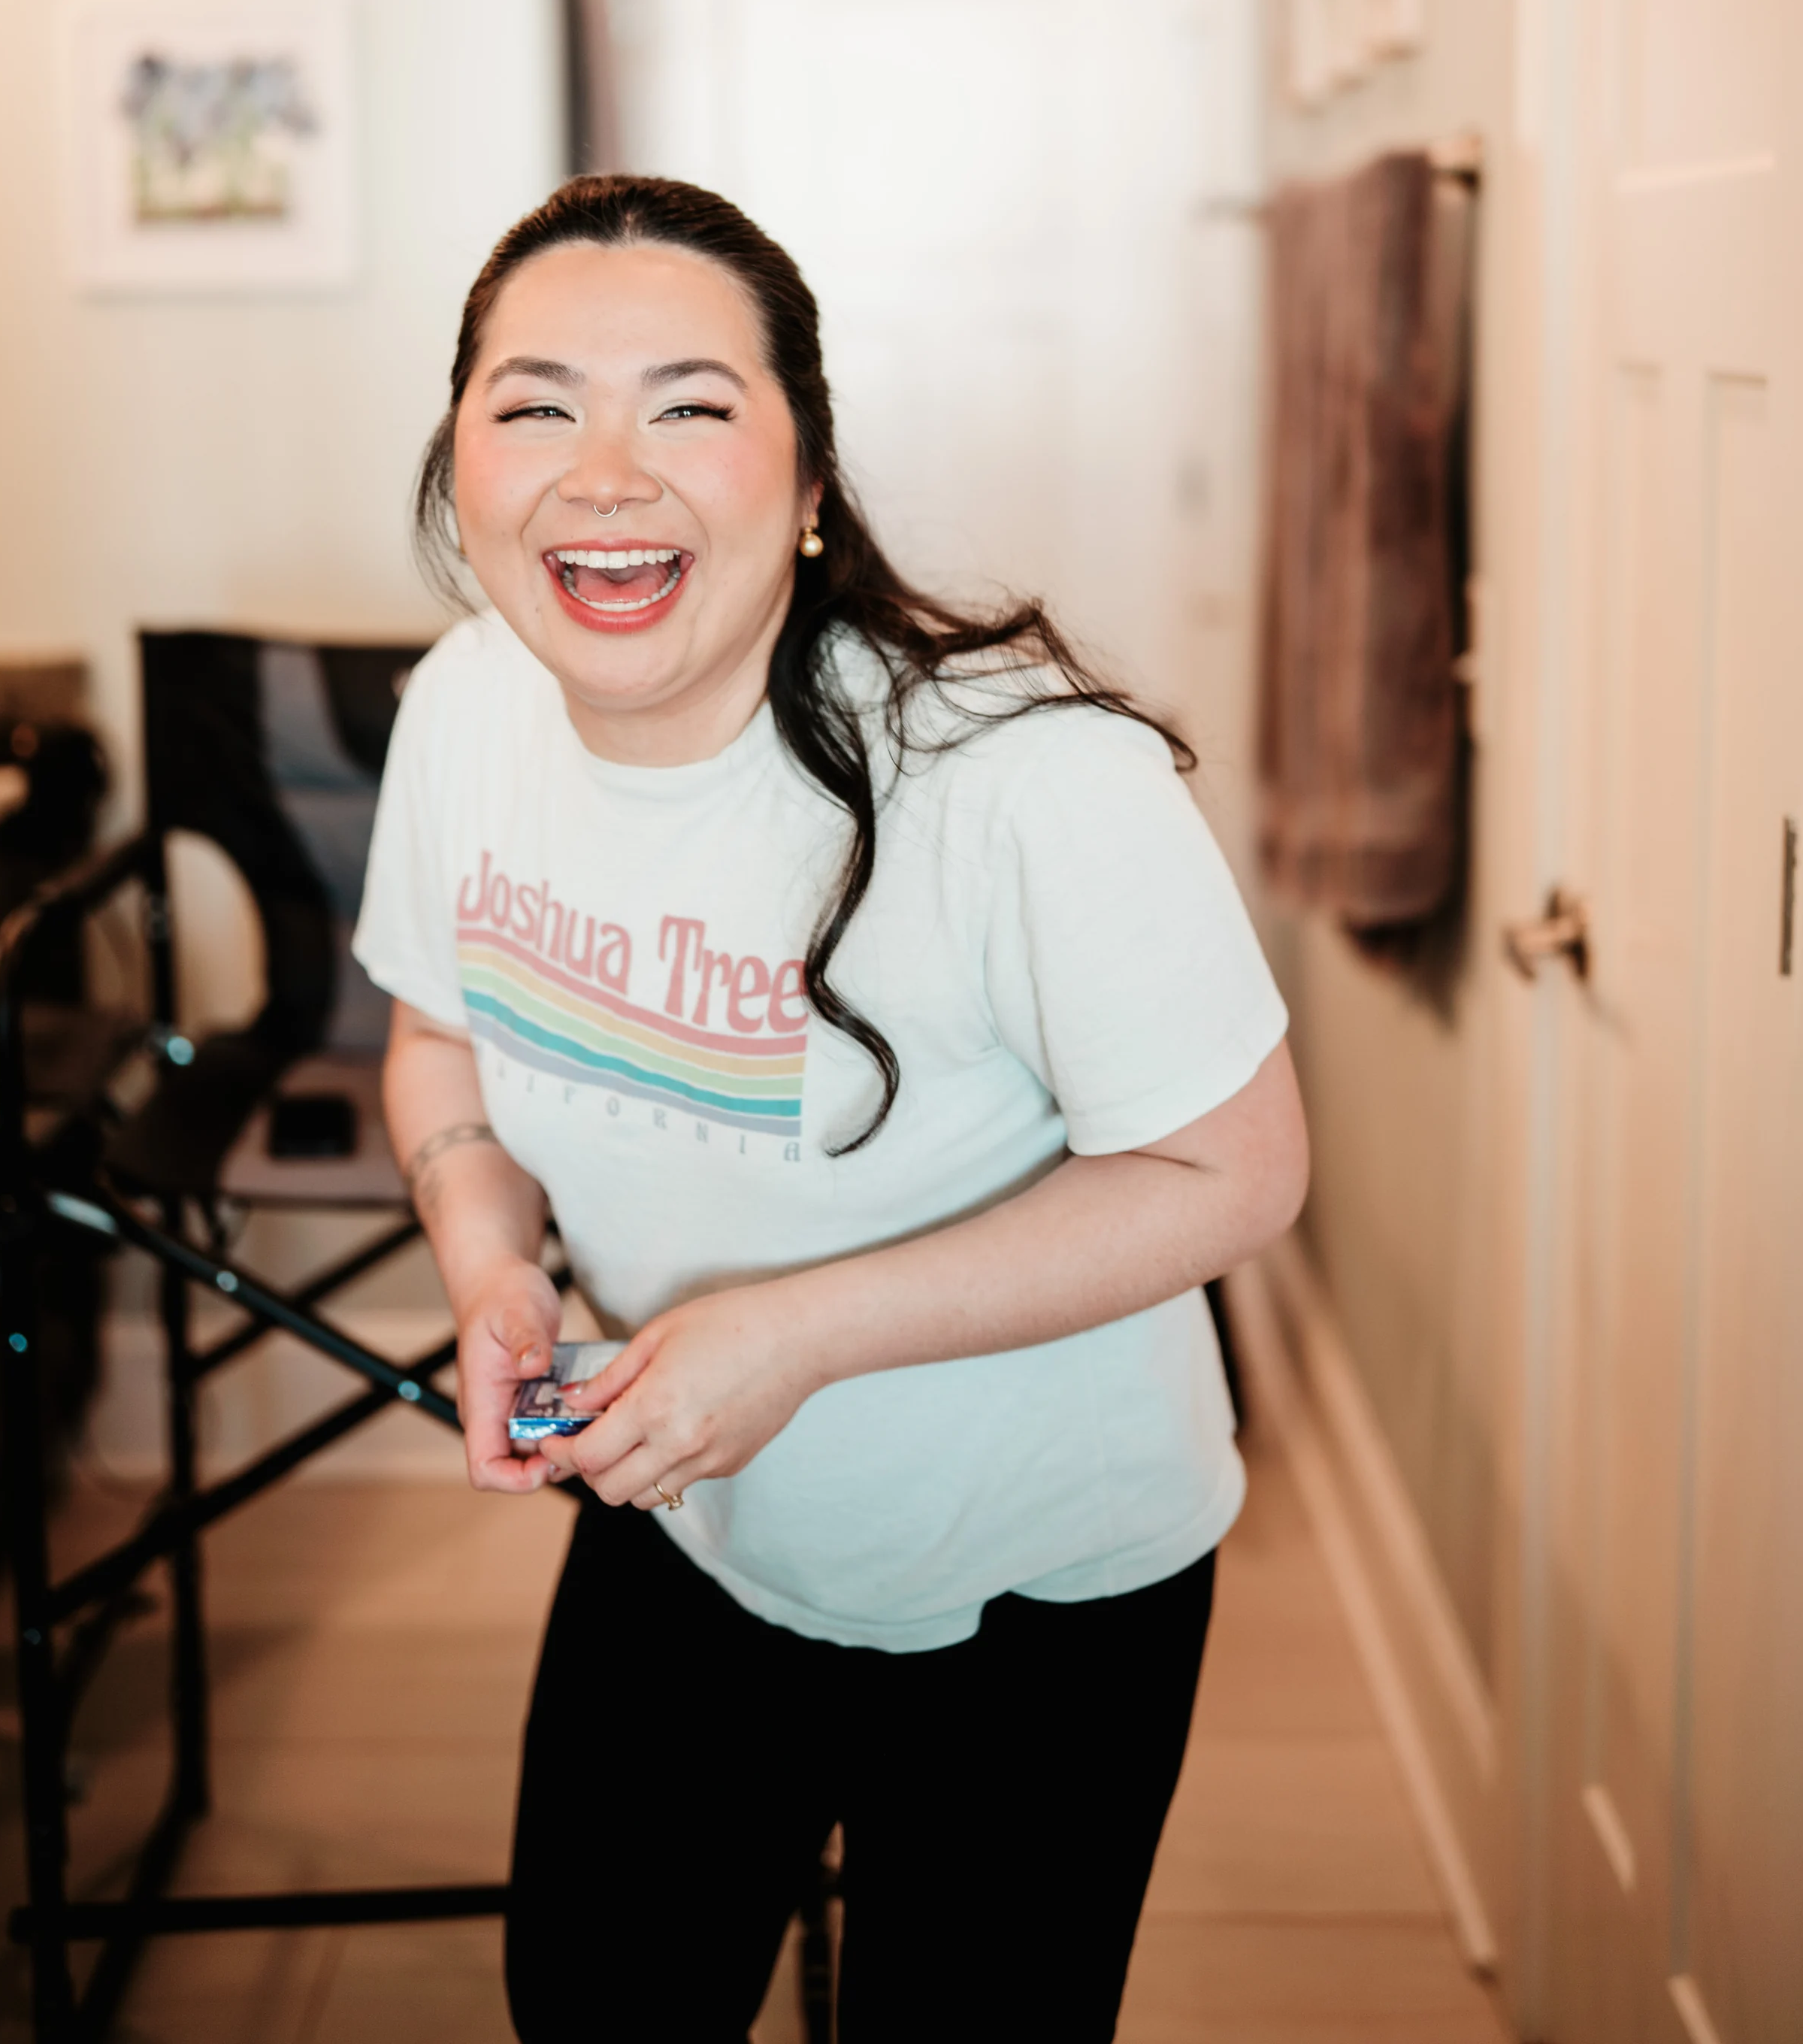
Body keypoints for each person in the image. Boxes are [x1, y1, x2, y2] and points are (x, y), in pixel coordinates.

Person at [353, 174, 1308, 2042]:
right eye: (532, 404)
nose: (604, 471)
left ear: (805, 492)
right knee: (591, 2001)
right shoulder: (465, 706)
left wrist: (791, 1337)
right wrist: (490, 1264)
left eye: (690, 406)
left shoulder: (1023, 776)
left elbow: (1232, 1167)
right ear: (457, 477)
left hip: (1039, 1579)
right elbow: (438, 1045)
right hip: (682, 1509)